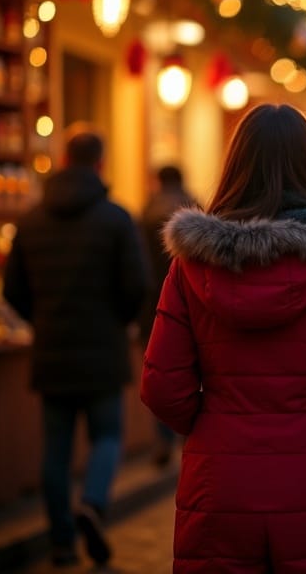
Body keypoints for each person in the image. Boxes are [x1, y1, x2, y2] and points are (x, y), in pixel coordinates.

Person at [139, 103, 306, 573]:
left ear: (235, 166)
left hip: (218, 483)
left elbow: (162, 387)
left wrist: (216, 425)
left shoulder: (191, 266)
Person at [3, 125, 148, 568]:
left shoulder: (30, 221)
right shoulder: (116, 219)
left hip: (51, 351)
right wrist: (116, 322)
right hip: (102, 349)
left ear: (64, 160)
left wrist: (42, 321)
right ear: (100, 163)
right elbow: (137, 285)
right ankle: (94, 503)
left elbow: (12, 290)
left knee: (56, 450)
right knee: (107, 435)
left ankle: (62, 543)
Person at [137, 165, 197, 468]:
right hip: (194, 303)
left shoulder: (147, 212)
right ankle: (189, 438)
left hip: (154, 305)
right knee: (194, 371)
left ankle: (163, 439)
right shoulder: (197, 211)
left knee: (163, 369)